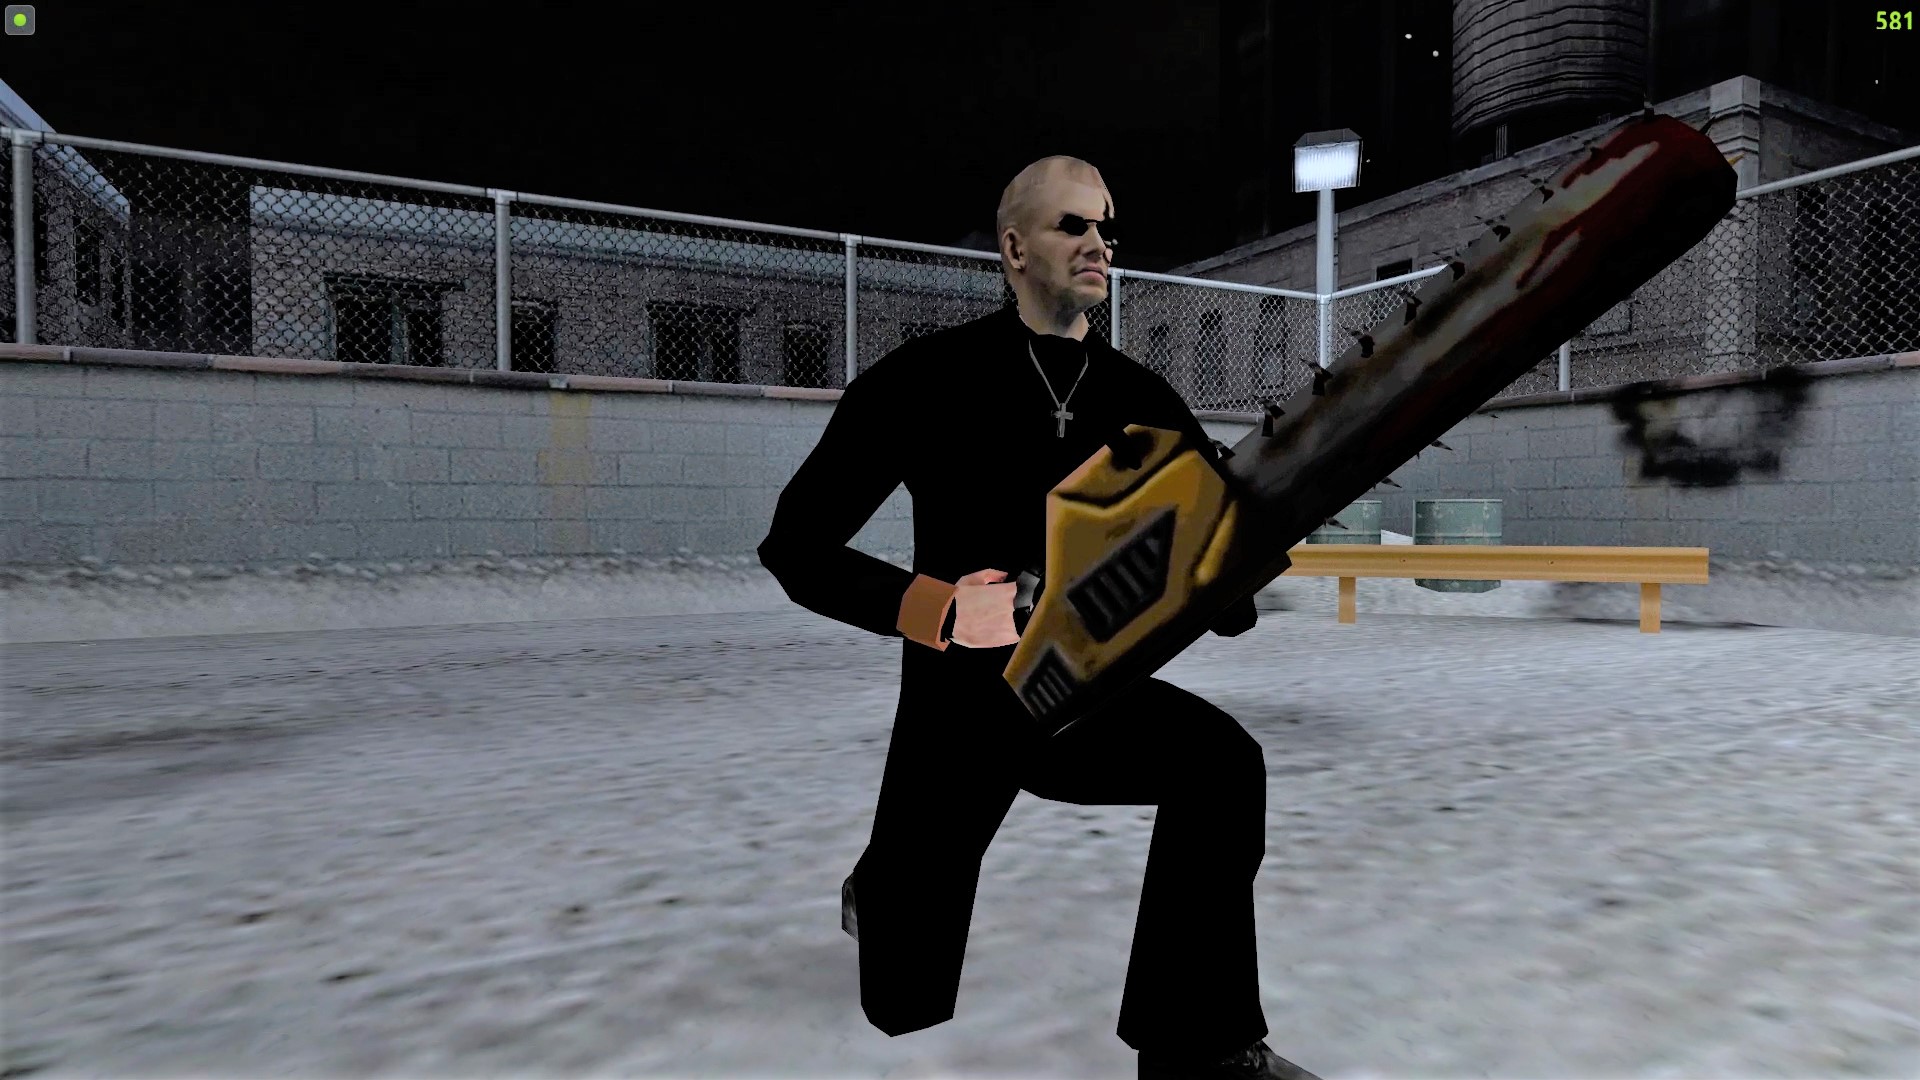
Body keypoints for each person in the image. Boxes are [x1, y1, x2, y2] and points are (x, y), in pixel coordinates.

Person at [757, 156, 1320, 1080]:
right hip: (962, 707)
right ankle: (886, 881)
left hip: (1086, 699)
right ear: (1015, 248)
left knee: (1223, 765)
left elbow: (1224, 597)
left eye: (1107, 227)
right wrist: (938, 609)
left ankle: (1198, 1047)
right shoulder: (926, 378)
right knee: (904, 990)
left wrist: (1233, 566)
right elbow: (795, 545)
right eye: (1073, 225)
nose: (1100, 244)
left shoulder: (1144, 399)